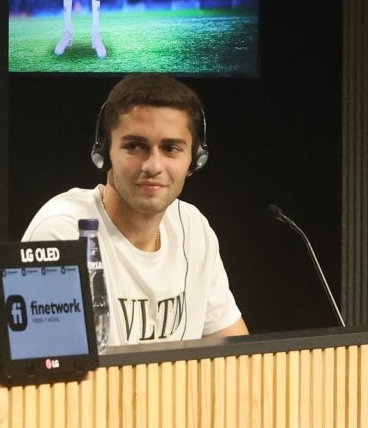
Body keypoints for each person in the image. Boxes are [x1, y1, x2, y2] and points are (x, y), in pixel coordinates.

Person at [21, 73, 248, 345]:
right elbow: (46, 376)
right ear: (105, 152)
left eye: (170, 148)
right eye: (135, 146)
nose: (153, 165)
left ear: (195, 159)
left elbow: (236, 354)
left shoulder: (193, 228)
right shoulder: (62, 233)